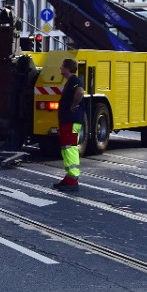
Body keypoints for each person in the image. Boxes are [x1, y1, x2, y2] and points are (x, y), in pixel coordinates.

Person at [54, 58, 85, 192]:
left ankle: (73, 179)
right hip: (68, 121)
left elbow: (80, 92)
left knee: (70, 148)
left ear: (67, 68)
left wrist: (73, 105)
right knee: (66, 148)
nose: (60, 68)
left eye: (62, 66)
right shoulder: (70, 82)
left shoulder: (74, 81)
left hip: (71, 121)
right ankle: (69, 178)